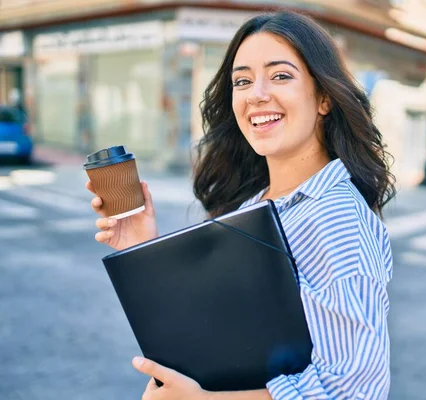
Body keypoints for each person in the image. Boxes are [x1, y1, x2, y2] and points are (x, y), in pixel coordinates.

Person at [87, 11, 396, 400]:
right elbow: (224, 329)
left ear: (323, 98)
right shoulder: (256, 202)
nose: (256, 94)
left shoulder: (335, 217)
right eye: (242, 81)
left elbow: (352, 391)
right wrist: (142, 248)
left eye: (280, 75)